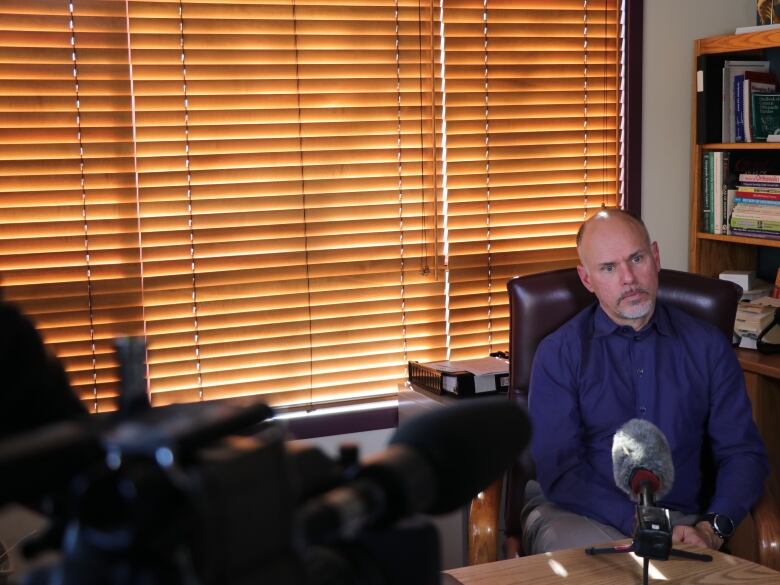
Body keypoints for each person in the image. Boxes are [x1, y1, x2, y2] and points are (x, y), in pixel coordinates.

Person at [521, 209, 769, 554]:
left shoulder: (707, 345)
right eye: (609, 268)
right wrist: (637, 519)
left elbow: (742, 453)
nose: (628, 278)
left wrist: (712, 528)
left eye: (636, 259)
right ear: (587, 279)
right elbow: (560, 470)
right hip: (578, 516)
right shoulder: (560, 353)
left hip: (683, 523)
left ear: (655, 257)